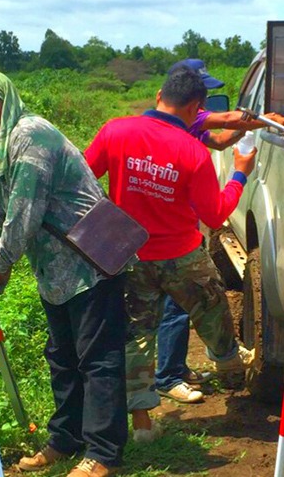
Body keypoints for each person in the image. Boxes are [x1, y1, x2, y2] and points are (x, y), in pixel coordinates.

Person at [0, 71, 127, 477]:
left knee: (97, 360)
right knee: (63, 358)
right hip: (55, 273)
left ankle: (103, 454)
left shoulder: (31, 135)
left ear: (5, 104)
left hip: (90, 265)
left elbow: (25, 210)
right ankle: (66, 440)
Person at [84, 66, 256, 442]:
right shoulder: (192, 151)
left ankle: (143, 424)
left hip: (128, 256)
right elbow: (213, 214)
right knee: (213, 310)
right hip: (182, 256)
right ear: (197, 107)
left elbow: (84, 179)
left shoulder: (115, 131)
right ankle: (231, 370)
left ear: (160, 95)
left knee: (137, 336)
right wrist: (239, 175)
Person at [155, 58, 284, 405]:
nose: (203, 103)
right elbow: (225, 118)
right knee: (177, 303)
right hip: (171, 231)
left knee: (179, 302)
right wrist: (261, 121)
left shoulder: (185, 120)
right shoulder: (182, 121)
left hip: (176, 226)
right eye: (201, 95)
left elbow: (222, 139)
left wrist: (250, 128)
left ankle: (175, 370)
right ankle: (169, 374)